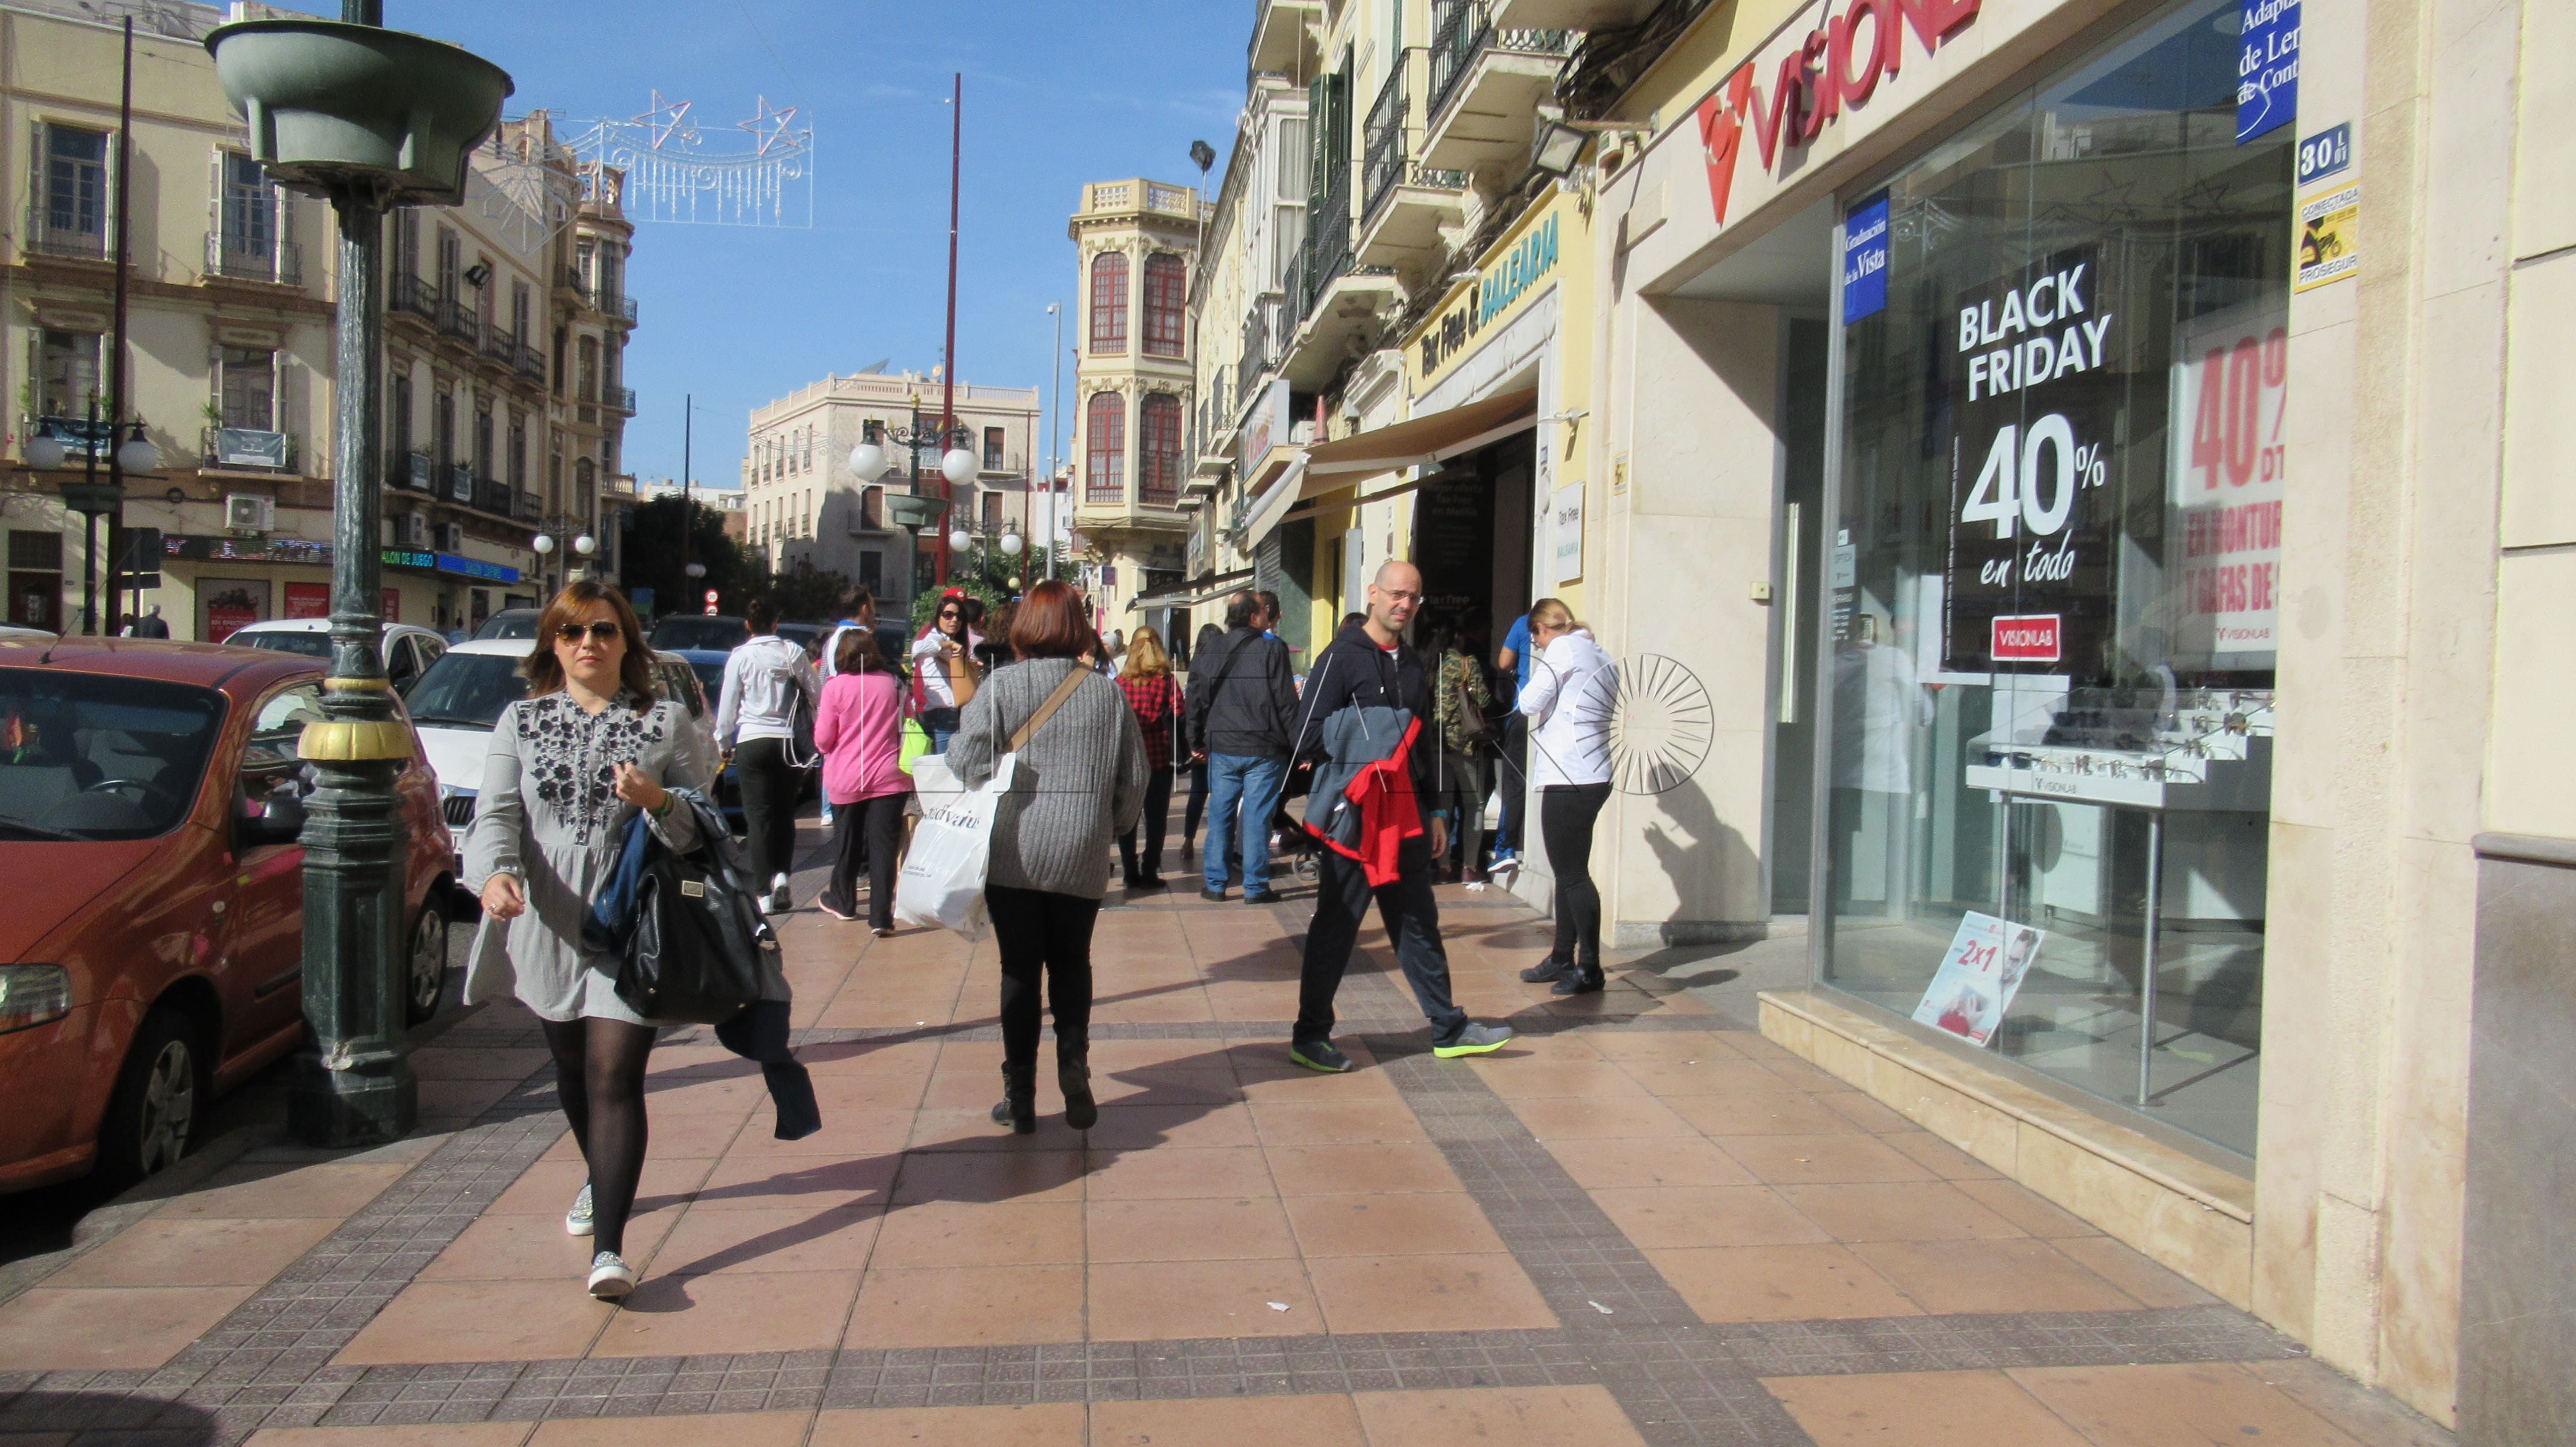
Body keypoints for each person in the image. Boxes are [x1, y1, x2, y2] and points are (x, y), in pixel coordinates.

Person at [462, 579, 717, 1300]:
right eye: (572, 632)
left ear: (626, 644)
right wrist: (495, 876)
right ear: (553, 643)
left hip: (635, 923)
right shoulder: (520, 721)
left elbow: (706, 828)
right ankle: (597, 1175)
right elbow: (497, 816)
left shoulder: (664, 721)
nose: (588, 645)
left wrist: (659, 801)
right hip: (546, 921)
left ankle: (610, 1249)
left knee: (614, 1076)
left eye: (603, 632)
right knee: (572, 1074)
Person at [1288, 561, 1514, 1072]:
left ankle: (1448, 1026)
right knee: (1336, 925)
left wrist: (1435, 808)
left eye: (1413, 597)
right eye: (1395, 594)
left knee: (1418, 923)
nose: (1404, 605)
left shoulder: (1413, 664)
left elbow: (1423, 740)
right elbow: (1307, 733)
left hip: (1406, 815)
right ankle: (1310, 1034)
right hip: (1354, 816)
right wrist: (1379, 736)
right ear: (1373, 593)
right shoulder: (1340, 657)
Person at [949, 581, 1148, 1133]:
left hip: (1013, 847)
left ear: (1025, 628)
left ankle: (1021, 1096)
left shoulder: (999, 687)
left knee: (1018, 968)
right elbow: (1136, 777)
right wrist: (1112, 826)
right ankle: (1073, 1059)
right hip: (1082, 844)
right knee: (1071, 959)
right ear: (1077, 627)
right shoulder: (1107, 694)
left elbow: (964, 763)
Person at [1514, 599, 1615, 994]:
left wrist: (1531, 678)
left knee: (1573, 874)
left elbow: (1528, 704)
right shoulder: (1598, 651)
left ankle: (1589, 967)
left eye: (1535, 639)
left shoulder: (1563, 648)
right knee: (1568, 871)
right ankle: (1562, 957)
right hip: (1593, 772)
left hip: (1569, 773)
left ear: (1542, 628)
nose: (1537, 648)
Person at [1187, 590, 1298, 903]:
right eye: (1263, 610)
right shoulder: (1272, 650)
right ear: (1253, 617)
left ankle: (1216, 884)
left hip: (1223, 746)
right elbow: (1287, 703)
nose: (1267, 615)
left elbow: (1194, 698)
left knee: (1221, 813)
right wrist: (1300, 745)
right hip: (1264, 749)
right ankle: (1255, 887)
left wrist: (1195, 740)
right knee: (1256, 817)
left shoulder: (1210, 649)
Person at [717, 598, 820, 914]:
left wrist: (723, 740)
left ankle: (763, 893)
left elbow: (728, 705)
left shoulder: (741, 657)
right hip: (789, 743)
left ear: (748, 625)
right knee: (784, 813)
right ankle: (782, 876)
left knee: (758, 819)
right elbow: (817, 694)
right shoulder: (793, 653)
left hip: (753, 741)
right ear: (776, 623)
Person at [812, 626, 910, 933]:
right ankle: (882, 917)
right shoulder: (894, 683)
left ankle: (844, 901)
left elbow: (824, 739)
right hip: (889, 775)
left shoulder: (835, 687)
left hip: (846, 776)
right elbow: (909, 721)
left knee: (848, 842)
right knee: (884, 847)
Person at [1114, 626, 1185, 892]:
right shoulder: (1166, 681)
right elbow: (1180, 713)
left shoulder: (1121, 683)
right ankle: (1150, 870)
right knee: (1156, 820)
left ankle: (1130, 871)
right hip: (1158, 760)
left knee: (1128, 818)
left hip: (1128, 762)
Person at [1426, 615, 1494, 884]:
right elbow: (1483, 699)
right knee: (1474, 804)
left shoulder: (1429, 664)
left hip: (1435, 745)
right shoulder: (1467, 663)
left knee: (1442, 806)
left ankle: (1443, 868)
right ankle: (1468, 866)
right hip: (1463, 745)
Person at [909, 589, 982, 752]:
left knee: (939, 765)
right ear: (938, 616)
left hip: (944, 710)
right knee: (943, 765)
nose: (954, 620)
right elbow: (917, 649)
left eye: (959, 616)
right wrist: (947, 645)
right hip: (942, 710)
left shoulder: (951, 639)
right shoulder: (936, 636)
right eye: (948, 615)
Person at [1493, 608, 1535, 868]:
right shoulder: (1567, 627)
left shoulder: (1523, 622)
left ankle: (1506, 847)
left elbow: (1504, 662)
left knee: (1515, 781)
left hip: (1525, 709)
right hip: (1554, 714)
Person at [1179, 620, 1223, 860]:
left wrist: (1194, 742)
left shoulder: (1196, 667)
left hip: (1201, 738)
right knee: (1221, 794)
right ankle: (1218, 844)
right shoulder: (1226, 666)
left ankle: (1188, 839)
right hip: (1223, 738)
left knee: (1198, 791)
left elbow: (1192, 707)